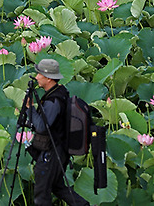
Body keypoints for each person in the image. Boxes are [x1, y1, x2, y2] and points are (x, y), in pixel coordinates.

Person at [25, 59, 90, 206]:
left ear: (48, 78)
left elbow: (42, 126)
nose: (36, 77)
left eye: (39, 74)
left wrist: (30, 108)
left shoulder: (54, 100)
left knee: (41, 193)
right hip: (57, 150)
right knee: (57, 187)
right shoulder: (57, 93)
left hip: (53, 152)